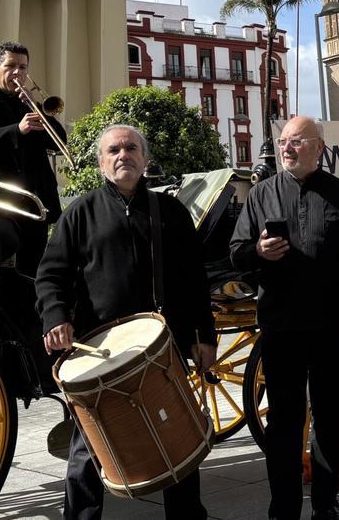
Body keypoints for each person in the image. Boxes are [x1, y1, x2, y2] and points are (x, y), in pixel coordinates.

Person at [37, 124, 216, 520]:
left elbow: (193, 281)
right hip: (98, 350)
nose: (124, 155)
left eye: (131, 148)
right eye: (114, 150)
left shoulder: (170, 212)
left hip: (161, 347)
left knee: (176, 442)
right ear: (102, 163)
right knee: (87, 450)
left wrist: (204, 337)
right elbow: (51, 274)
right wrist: (57, 316)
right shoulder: (79, 213)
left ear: (145, 159)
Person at [230, 116, 339, 520]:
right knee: (284, 419)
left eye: (297, 141)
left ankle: (326, 504)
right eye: (283, 141)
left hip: (332, 324)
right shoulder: (260, 194)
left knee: (330, 415)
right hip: (280, 326)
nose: (287, 148)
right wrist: (258, 252)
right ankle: (283, 508)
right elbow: (236, 253)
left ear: (319, 147)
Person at [0, 41, 66, 276]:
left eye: (23, 67)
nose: (18, 73)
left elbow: (59, 142)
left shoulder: (30, 104)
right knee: (0, 272)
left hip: (35, 202)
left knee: (33, 271)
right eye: (11, 66)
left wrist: (39, 110)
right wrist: (18, 129)